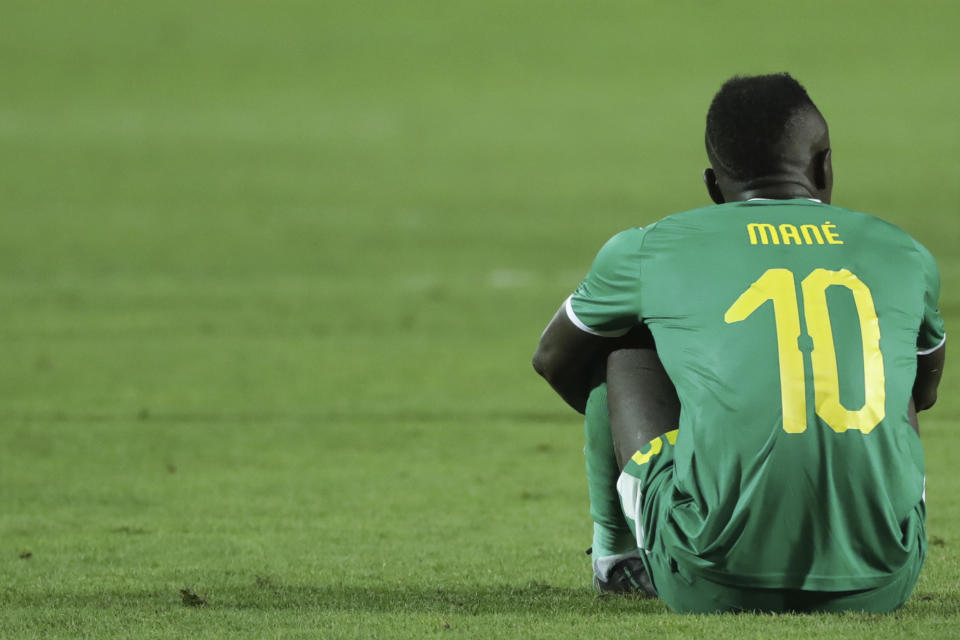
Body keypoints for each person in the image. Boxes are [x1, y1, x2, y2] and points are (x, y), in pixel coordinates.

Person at [532, 73, 946, 613]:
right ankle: (862, 527)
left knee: (619, 334)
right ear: (823, 166)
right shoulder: (903, 251)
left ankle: (617, 556)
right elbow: (926, 389)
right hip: (883, 579)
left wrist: (661, 418)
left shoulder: (650, 248)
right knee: (894, 362)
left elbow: (554, 359)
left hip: (709, 578)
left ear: (713, 187)